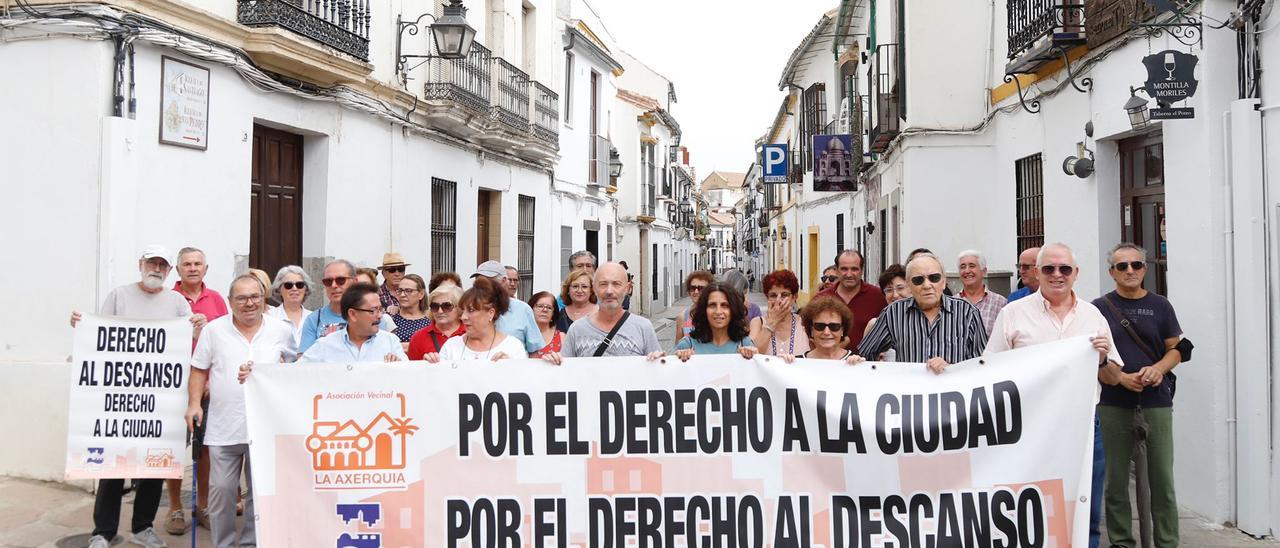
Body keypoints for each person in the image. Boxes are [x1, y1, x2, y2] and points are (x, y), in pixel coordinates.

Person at [984, 242, 1124, 548]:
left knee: (1085, 509)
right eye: (1049, 269)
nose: (1057, 275)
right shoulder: (1013, 314)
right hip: (1028, 430)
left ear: (1076, 273)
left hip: (1084, 427)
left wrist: (1100, 359)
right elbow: (991, 372)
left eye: (1064, 269)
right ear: (1036, 273)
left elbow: (1114, 376)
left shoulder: (1093, 316)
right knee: (1028, 510)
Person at [69, 244, 201, 548]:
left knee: (154, 467)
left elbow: (191, 340)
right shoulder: (120, 295)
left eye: (162, 265)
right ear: (141, 264)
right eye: (151, 262)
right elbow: (100, 336)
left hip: (162, 400)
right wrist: (82, 326)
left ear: (170, 271)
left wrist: (197, 326)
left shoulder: (178, 302)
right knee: (113, 469)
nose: (156, 268)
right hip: (120, 398)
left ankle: (143, 527)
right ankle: (102, 532)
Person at [186, 274, 296, 548]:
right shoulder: (214, 330)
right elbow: (199, 369)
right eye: (242, 298)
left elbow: (295, 366)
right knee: (221, 491)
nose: (249, 303)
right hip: (225, 425)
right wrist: (194, 404)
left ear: (263, 298)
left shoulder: (280, 330)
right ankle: (222, 543)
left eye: (255, 297)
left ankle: (250, 544)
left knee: (258, 494)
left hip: (265, 426)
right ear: (230, 301)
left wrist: (271, 375)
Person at [1094, 243, 1184, 548]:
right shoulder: (1098, 308)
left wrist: (1158, 369)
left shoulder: (1161, 306)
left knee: (1162, 480)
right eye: (1122, 266)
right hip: (1112, 402)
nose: (1130, 271)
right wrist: (1118, 377)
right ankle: (1121, 541)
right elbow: (1089, 355)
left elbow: (1178, 348)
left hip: (1156, 401)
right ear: (1112, 272)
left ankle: (1167, 542)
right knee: (1116, 481)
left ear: (1145, 269)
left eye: (1135, 265)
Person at [171, 246, 227, 533]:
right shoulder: (166, 299)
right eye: (187, 264)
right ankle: (174, 508)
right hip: (170, 387)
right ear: (177, 269)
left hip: (207, 387)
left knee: (204, 449)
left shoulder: (217, 299)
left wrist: (208, 380)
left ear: (206, 269)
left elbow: (226, 340)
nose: (192, 268)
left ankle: (202, 505)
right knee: (170, 447)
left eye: (197, 264)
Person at [859, 253, 989, 371]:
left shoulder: (968, 313)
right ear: (909, 285)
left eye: (934, 278)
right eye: (918, 280)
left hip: (955, 394)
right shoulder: (893, 313)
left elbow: (982, 363)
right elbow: (866, 354)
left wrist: (951, 370)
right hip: (910, 395)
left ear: (943, 282)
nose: (927, 285)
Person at [541, 262, 664, 361]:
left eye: (616, 284)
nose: (609, 291)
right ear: (594, 288)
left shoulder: (643, 327)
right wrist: (554, 362)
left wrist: (660, 361)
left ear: (627, 288)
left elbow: (658, 374)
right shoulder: (576, 329)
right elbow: (565, 374)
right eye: (603, 284)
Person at [423, 276, 528, 362]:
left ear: (490, 313)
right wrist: (432, 368)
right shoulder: (452, 346)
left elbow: (522, 384)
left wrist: (510, 370)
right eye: (463, 310)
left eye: (471, 310)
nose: (463, 317)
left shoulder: (513, 347)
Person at [298, 260, 393, 352]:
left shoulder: (373, 316)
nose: (334, 285)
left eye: (340, 280)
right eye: (328, 281)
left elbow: (383, 352)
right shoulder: (314, 319)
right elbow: (304, 361)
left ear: (355, 281)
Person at [299, 283, 407, 362]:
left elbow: (408, 377)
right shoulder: (325, 346)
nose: (379, 316)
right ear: (352, 314)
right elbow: (295, 373)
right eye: (373, 310)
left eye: (380, 309)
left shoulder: (390, 342)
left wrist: (398, 368)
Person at [816, 249, 887, 351]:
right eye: (844, 269)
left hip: (867, 364)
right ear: (837, 270)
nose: (849, 274)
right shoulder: (821, 299)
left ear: (862, 270)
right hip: (831, 364)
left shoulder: (878, 297)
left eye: (854, 269)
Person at [471, 261, 545, 354]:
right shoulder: (470, 310)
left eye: (486, 282)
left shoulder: (522, 309)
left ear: (503, 281)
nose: (481, 287)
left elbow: (534, 351)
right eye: (478, 282)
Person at [673, 283, 757, 360]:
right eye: (712, 305)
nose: (718, 311)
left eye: (725, 305)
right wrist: (679, 357)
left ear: (733, 309)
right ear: (704, 310)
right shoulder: (687, 345)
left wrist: (753, 355)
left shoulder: (745, 343)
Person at [780, 296, 864, 364]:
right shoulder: (797, 363)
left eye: (834, 326)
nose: (826, 332)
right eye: (820, 326)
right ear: (811, 330)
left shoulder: (856, 362)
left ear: (842, 330)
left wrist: (861, 367)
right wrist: (782, 365)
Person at [750, 270, 810, 358]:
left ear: (794, 297)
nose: (779, 300)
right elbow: (753, 354)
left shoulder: (804, 323)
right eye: (773, 295)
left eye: (784, 295)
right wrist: (771, 323)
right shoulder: (758, 323)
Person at [406, 284, 465, 360]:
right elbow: (412, 370)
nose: (440, 311)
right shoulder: (419, 337)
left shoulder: (471, 334)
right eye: (435, 306)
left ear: (459, 308)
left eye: (447, 306)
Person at [957, 249, 1007, 335]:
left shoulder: (1000, 303)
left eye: (972, 266)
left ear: (984, 272)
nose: (967, 271)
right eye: (963, 267)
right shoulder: (951, 303)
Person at [266, 265, 313, 348]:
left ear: (305, 289)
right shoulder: (269, 317)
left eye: (300, 285)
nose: (294, 289)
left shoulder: (314, 318)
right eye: (288, 285)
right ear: (279, 289)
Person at [391, 274, 431, 349]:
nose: (402, 295)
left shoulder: (430, 320)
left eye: (408, 291)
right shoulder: (391, 317)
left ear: (421, 294)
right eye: (400, 290)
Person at [677, 271, 715, 343]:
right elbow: (678, 347)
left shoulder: (716, 314)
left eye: (701, 288)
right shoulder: (683, 317)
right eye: (692, 288)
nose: (696, 292)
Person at [529, 291, 563, 358]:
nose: (545, 310)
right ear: (531, 309)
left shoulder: (562, 338)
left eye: (549, 307)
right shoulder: (522, 336)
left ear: (553, 313)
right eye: (540, 306)